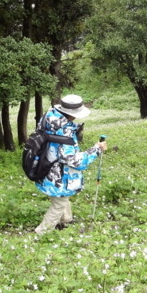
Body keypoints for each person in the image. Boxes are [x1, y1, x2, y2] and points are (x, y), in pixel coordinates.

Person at [34, 94, 107, 234]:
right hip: (57, 174)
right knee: (59, 203)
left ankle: (66, 220)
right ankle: (41, 232)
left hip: (44, 165)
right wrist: (96, 149)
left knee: (61, 198)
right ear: (71, 114)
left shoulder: (49, 116)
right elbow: (75, 161)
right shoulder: (64, 133)